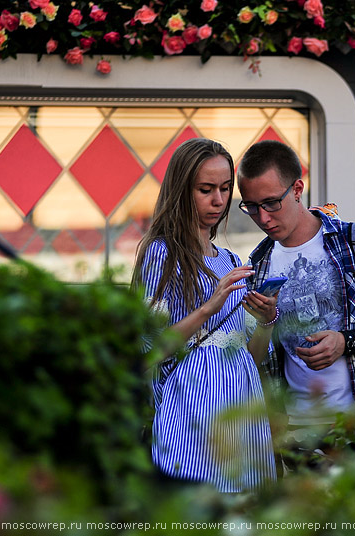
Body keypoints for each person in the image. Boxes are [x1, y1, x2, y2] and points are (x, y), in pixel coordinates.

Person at [237, 140, 355, 479]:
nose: (263, 218)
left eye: (271, 203)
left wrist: (347, 342)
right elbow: (251, 364)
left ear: (297, 189)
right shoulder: (258, 265)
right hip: (299, 436)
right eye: (251, 207)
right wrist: (266, 323)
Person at [131, 138, 277, 492]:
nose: (219, 200)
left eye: (226, 188)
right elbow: (148, 349)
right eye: (205, 189)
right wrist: (208, 307)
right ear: (182, 190)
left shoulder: (230, 261)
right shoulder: (160, 253)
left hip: (241, 419)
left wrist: (266, 321)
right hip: (191, 419)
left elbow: (248, 358)